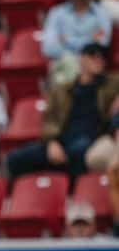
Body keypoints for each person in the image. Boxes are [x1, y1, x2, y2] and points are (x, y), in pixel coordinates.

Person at [7, 43, 119, 179]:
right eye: (93, 57)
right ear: (82, 59)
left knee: (79, 150)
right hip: (62, 138)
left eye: (102, 59)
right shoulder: (62, 90)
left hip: (90, 138)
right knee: (14, 159)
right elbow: (49, 120)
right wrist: (52, 142)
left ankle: (72, 192)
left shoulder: (111, 84)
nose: (99, 62)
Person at [42, 0, 112, 85]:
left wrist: (67, 40)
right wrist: (88, 40)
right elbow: (49, 48)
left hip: (91, 70)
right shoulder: (56, 14)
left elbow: (101, 44)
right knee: (66, 64)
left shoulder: (102, 14)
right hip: (63, 67)